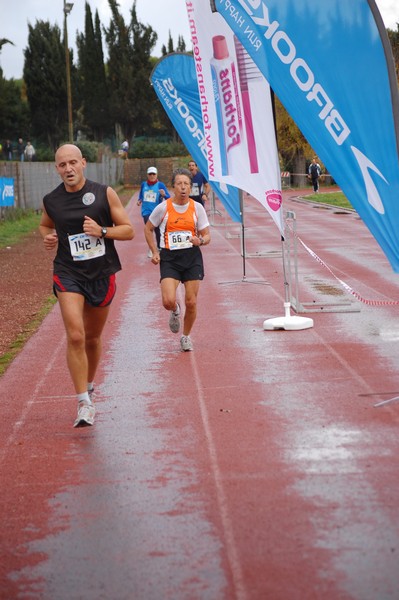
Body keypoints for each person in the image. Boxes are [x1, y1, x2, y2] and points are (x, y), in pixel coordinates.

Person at [39, 143, 134, 427]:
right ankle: (83, 401)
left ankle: (89, 384)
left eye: (72, 163)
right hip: (68, 272)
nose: (67, 169)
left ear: (83, 163)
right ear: (56, 168)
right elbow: (45, 225)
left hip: (101, 273)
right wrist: (48, 237)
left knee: (92, 338)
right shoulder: (51, 200)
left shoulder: (104, 193)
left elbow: (128, 230)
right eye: (61, 165)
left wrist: (102, 231)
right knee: (76, 335)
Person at [144, 168, 210, 352]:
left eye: (186, 184)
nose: (183, 187)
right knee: (167, 300)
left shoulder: (197, 208)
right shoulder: (163, 207)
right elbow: (148, 228)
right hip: (170, 258)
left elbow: (207, 235)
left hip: (191, 256)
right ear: (173, 187)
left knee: (191, 301)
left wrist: (201, 240)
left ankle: (186, 336)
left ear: (190, 187)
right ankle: (175, 310)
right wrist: (154, 251)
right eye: (179, 184)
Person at [137, 166, 170, 255]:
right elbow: (141, 194)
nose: (152, 176)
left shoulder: (160, 185)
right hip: (146, 211)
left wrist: (164, 195)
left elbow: (169, 198)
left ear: (156, 175)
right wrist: (139, 200)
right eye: (150, 174)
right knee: (149, 230)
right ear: (147, 175)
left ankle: (159, 248)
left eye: (153, 174)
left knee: (158, 231)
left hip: (157, 212)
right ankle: (152, 249)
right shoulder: (144, 184)